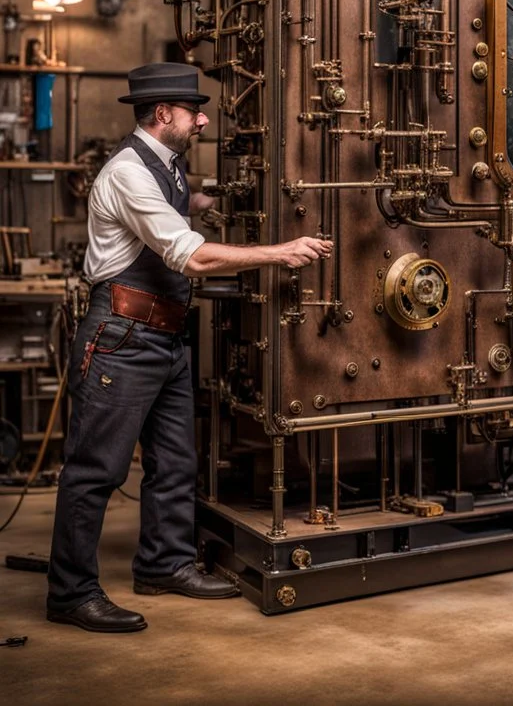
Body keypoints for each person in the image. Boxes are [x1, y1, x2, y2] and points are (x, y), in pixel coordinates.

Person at [47, 63, 333, 633]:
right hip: (122, 338)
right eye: (193, 112)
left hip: (166, 335)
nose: (203, 119)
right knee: (94, 471)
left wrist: (211, 201)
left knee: (175, 463)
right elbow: (192, 256)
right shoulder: (127, 173)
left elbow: (180, 206)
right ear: (162, 115)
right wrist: (279, 251)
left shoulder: (167, 166)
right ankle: (71, 593)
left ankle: (163, 564)